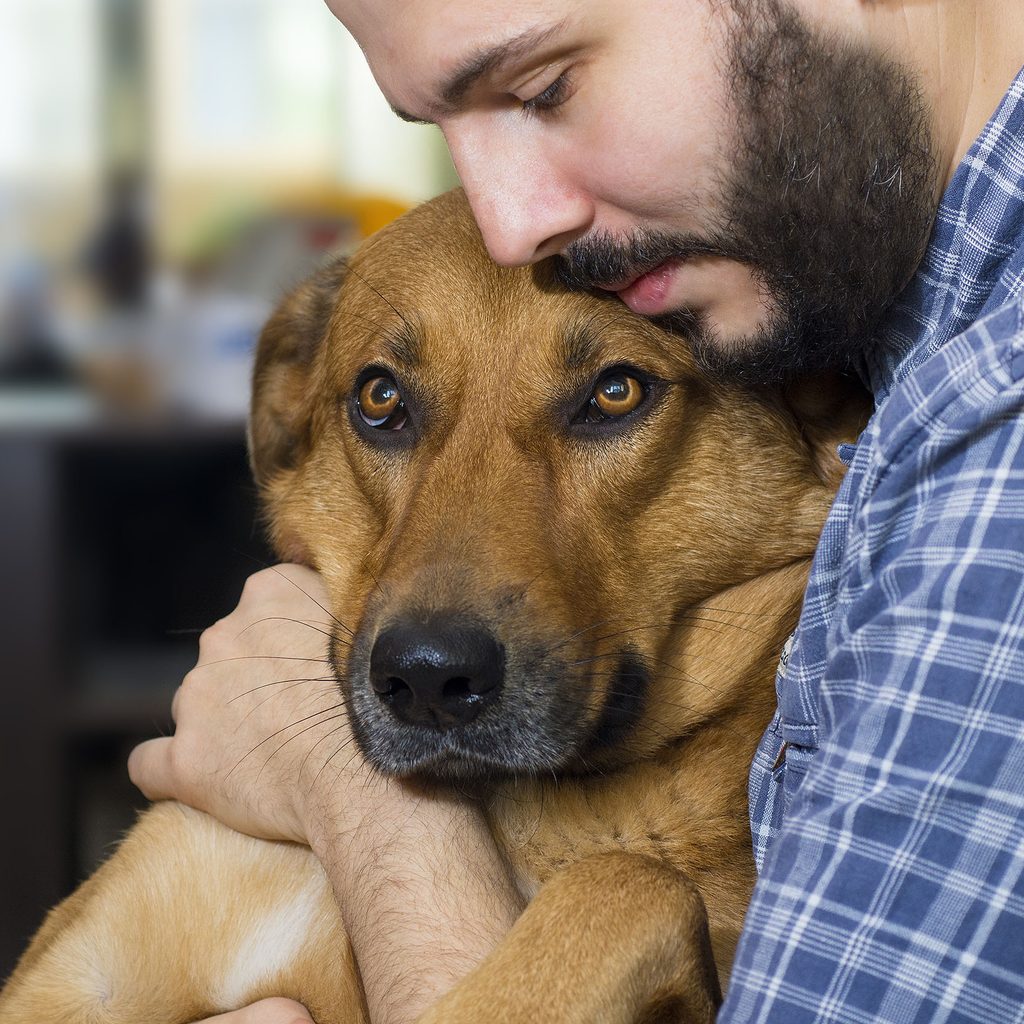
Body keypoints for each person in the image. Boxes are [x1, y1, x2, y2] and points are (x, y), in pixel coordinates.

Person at [128, 0, 1024, 1021]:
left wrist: (355, 803)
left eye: (545, 88)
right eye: (439, 129)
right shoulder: (873, 316)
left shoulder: (996, 453)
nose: (507, 227)